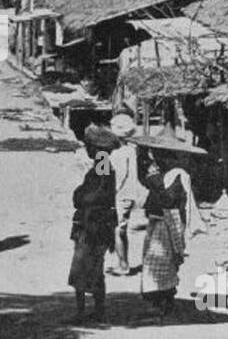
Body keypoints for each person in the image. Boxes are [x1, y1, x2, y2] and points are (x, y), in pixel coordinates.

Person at [137, 143, 197, 320]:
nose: (159, 159)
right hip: (156, 222)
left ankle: (162, 302)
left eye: (163, 156)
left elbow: (168, 199)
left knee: (162, 263)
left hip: (168, 223)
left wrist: (155, 181)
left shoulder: (177, 175)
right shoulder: (159, 173)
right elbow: (145, 182)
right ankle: (162, 301)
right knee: (154, 263)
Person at [70, 124, 120, 322]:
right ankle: (97, 310)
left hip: (93, 225)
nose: (86, 148)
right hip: (98, 224)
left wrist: (80, 196)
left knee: (82, 268)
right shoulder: (103, 164)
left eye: (88, 145)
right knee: (95, 269)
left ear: (96, 148)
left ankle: (83, 312)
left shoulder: (102, 163)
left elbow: (95, 195)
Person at [107, 114, 139, 275]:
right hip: (129, 193)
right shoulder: (131, 150)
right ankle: (123, 262)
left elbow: (119, 176)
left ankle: (123, 265)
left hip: (121, 194)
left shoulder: (119, 153)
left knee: (117, 230)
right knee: (121, 230)